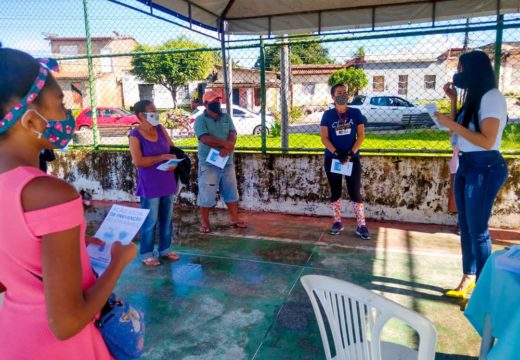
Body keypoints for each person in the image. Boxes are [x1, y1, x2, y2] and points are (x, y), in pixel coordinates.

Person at [0, 48, 136, 358]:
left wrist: (71, 245)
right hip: (61, 349)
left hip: (13, 338)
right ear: (32, 120)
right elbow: (67, 322)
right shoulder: (51, 194)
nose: (67, 114)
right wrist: (119, 261)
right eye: (60, 104)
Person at [435, 50, 509, 298]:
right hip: (467, 163)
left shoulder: (492, 98)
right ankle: (469, 276)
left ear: (474, 71)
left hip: (485, 166)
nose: (458, 75)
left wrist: (451, 123)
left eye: (462, 70)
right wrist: (454, 101)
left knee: (478, 229)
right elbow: (454, 137)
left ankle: (486, 286)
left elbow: (487, 141)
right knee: (465, 226)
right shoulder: (473, 99)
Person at [129, 100, 181, 266]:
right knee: (150, 221)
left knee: (167, 218)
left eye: (156, 110)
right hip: (150, 185)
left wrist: (173, 160)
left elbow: (171, 149)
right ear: (141, 116)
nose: (156, 114)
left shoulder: (160, 129)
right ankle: (147, 254)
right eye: (152, 111)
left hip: (167, 181)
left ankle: (165, 250)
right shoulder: (135, 135)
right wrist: (161, 158)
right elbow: (138, 162)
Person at [320, 83, 371, 240]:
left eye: (345, 92)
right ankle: (337, 222)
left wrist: (350, 153)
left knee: (355, 192)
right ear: (333, 97)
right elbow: (324, 138)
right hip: (333, 159)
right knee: (335, 191)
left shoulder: (356, 113)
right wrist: (336, 153)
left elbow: (361, 135)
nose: (343, 94)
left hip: (352, 159)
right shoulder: (327, 115)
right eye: (339, 92)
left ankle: (361, 225)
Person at [194, 90, 247, 233]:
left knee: (231, 191)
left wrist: (227, 149)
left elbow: (233, 133)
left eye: (218, 101)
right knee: (207, 194)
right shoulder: (200, 120)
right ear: (206, 104)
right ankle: (205, 223)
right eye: (213, 102)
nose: (217, 103)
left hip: (226, 161)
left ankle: (235, 218)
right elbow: (204, 138)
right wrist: (226, 145)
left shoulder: (226, 117)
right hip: (209, 163)